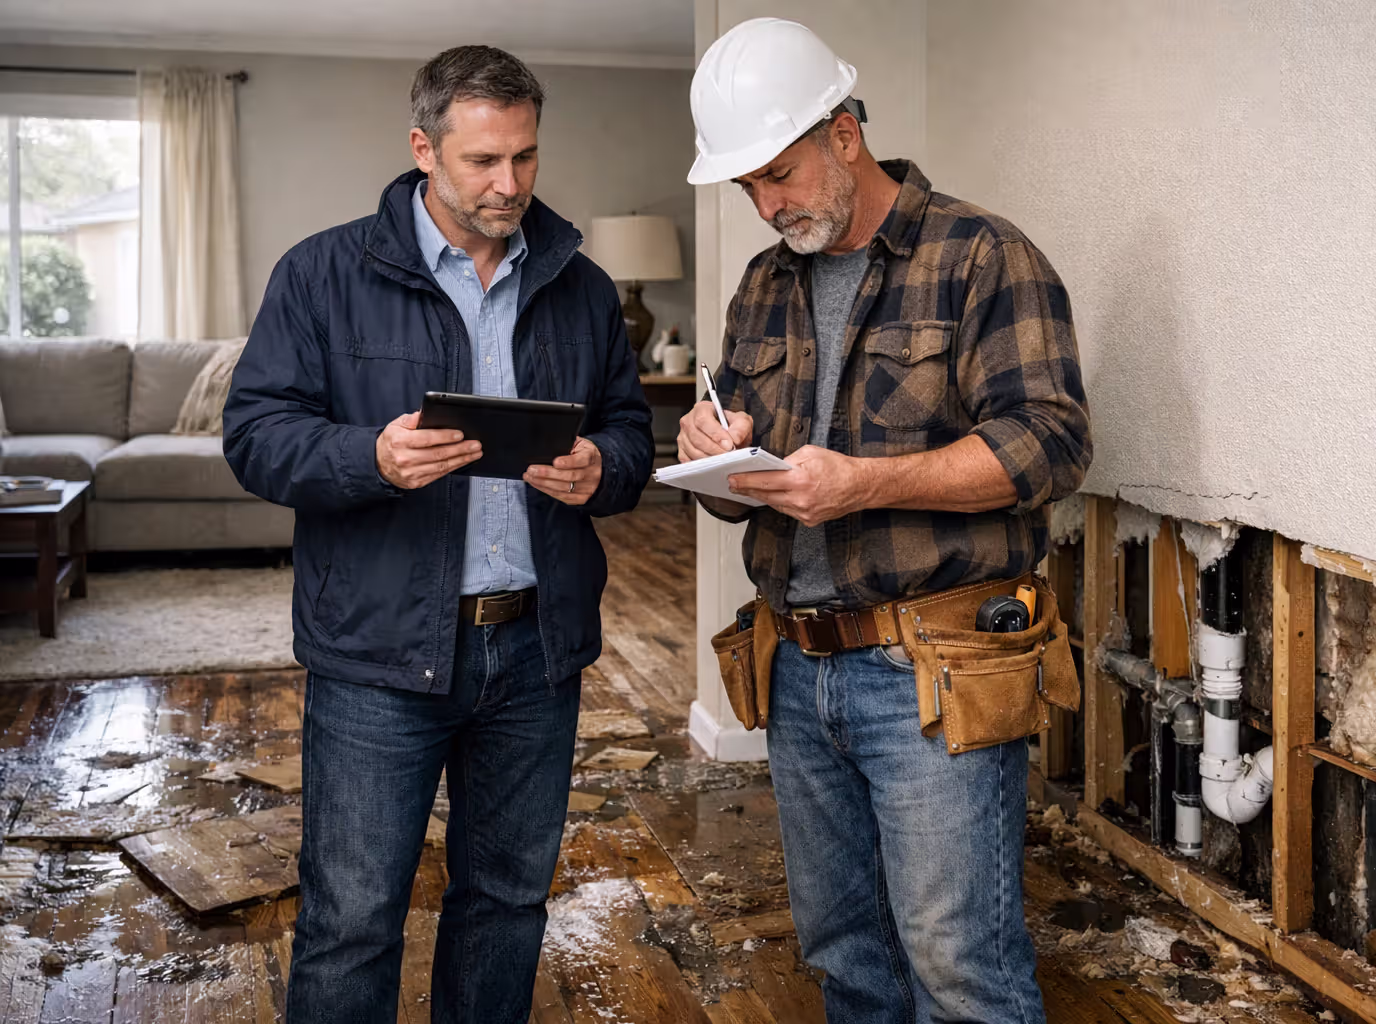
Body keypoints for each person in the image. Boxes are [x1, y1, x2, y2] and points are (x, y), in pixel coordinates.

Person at [224, 45, 653, 1022]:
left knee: (504, 907)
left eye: (527, 158)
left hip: (536, 653)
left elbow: (630, 432)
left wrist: (602, 468)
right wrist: (366, 459)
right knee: (352, 922)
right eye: (482, 162)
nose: (510, 184)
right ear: (424, 148)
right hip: (378, 654)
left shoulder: (581, 287)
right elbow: (255, 437)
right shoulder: (322, 273)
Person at [680, 18, 1092, 1023]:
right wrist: (709, 454)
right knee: (845, 959)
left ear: (845, 135)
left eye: (779, 174)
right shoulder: (763, 287)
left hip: (933, 669)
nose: (768, 205)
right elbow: (752, 471)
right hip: (795, 661)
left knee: (961, 970)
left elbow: (1052, 446)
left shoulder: (981, 257)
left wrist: (866, 484)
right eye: (748, 188)